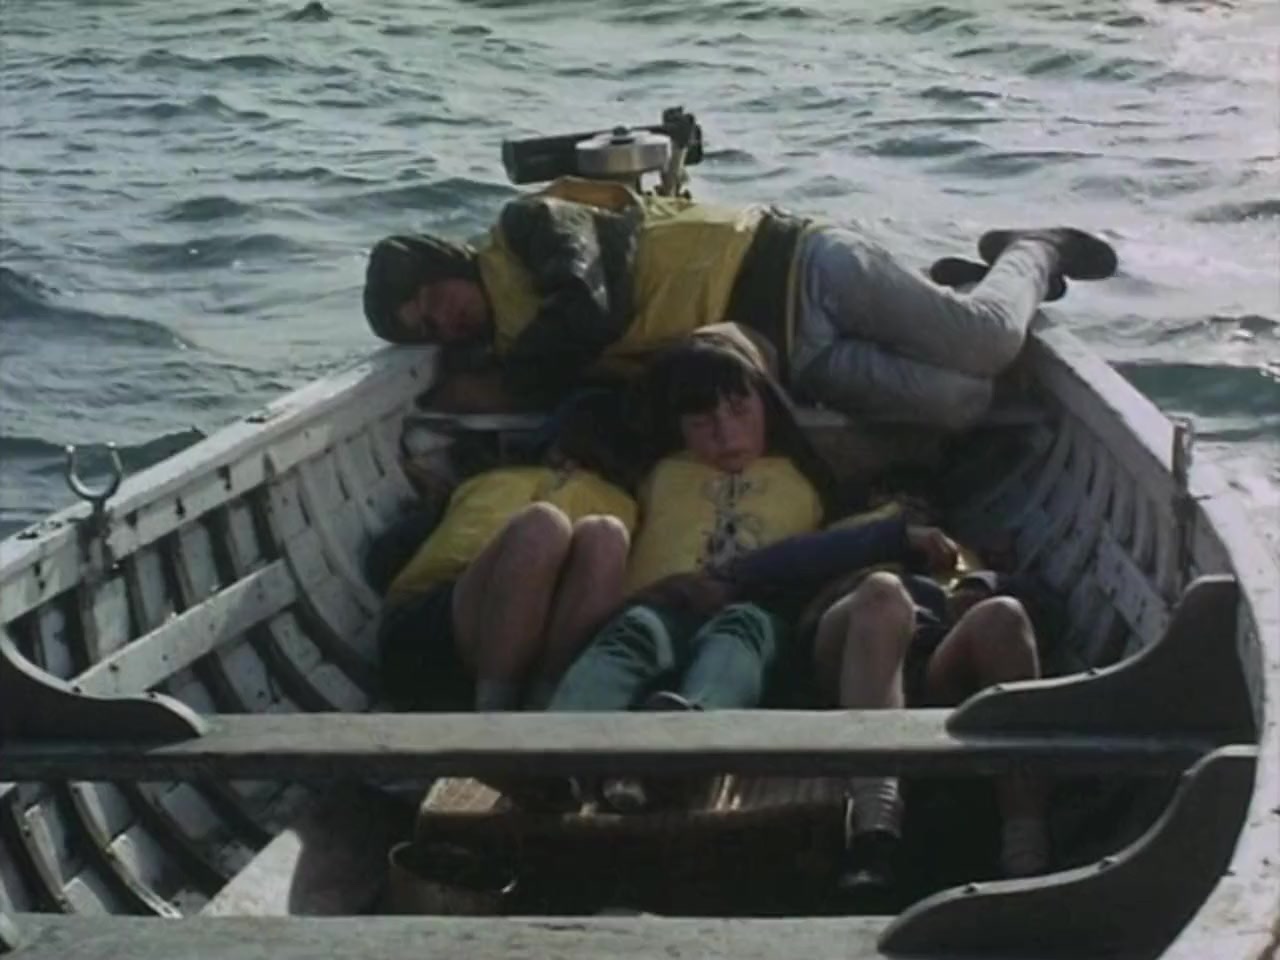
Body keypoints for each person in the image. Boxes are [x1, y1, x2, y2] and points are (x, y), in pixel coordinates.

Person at [361, 175, 1118, 429]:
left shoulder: (528, 225)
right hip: (789, 355)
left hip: (797, 265)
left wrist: (507, 386)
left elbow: (588, 308)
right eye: (427, 326)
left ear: (445, 261)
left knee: (988, 342)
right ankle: (957, 289)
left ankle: (1030, 248)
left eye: (434, 297)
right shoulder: (518, 345)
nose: (445, 318)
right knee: (966, 401)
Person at [375, 391, 639, 713]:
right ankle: (510, 711)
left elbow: (387, 554)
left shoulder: (495, 479)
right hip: (430, 636)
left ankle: (530, 705)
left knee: (577, 530)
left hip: (462, 632)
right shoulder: (626, 508)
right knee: (570, 529)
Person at [806, 566, 1050, 902]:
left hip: (932, 655)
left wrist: (979, 585)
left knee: (1003, 614)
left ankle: (1026, 849)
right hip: (857, 647)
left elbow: (1049, 606)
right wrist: (895, 540)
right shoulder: (843, 545)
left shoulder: (970, 563)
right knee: (882, 592)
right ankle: (874, 832)